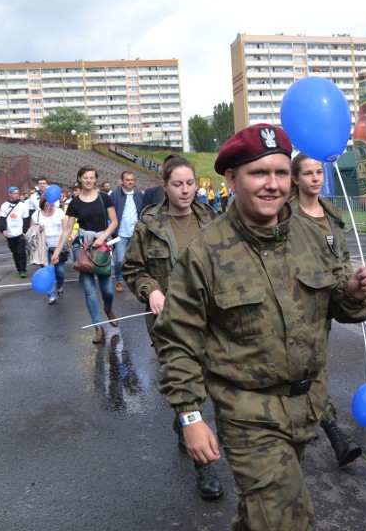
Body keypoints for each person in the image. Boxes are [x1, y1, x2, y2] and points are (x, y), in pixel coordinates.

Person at [149, 124, 366, 530]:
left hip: (308, 405)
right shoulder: (205, 252)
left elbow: (336, 305)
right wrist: (190, 416)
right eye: (259, 173)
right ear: (232, 179)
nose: (273, 185)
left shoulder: (314, 235)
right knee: (289, 518)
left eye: (280, 172)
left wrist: (354, 294)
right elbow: (178, 340)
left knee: (261, 514)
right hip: (248, 414)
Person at [121, 155, 222, 500]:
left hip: (210, 317)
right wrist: (152, 291)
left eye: (190, 183)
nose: (185, 190)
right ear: (164, 186)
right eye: (177, 184)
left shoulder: (211, 219)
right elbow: (133, 270)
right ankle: (204, 468)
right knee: (185, 380)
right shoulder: (149, 224)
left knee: (206, 378)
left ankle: (182, 417)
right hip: (167, 322)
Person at [288, 153, 362, 468]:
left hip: (328, 304)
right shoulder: (286, 216)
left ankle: (308, 418)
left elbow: (341, 260)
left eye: (319, 172)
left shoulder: (331, 216)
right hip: (296, 305)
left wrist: (352, 290)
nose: (315, 178)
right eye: (308, 173)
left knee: (314, 368)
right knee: (311, 370)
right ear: (295, 179)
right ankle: (335, 436)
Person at [51, 166, 119, 344]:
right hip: (84, 248)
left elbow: (114, 222)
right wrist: (57, 252)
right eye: (85, 177)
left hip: (102, 245)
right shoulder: (74, 203)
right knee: (89, 291)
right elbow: (67, 229)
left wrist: (103, 236)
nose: (89, 180)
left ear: (95, 180)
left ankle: (108, 308)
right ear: (80, 179)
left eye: (91, 178)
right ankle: (98, 327)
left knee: (108, 290)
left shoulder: (104, 198)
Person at [109, 170, 143, 293]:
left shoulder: (138, 194)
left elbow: (142, 211)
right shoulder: (115, 194)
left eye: (132, 180)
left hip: (135, 233)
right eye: (127, 180)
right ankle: (119, 280)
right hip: (120, 233)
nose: (130, 182)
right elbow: (109, 211)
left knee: (136, 259)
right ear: (121, 181)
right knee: (119, 259)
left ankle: (135, 280)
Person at [33, 195, 68, 305]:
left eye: (53, 202)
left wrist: (67, 241)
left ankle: (60, 285)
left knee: (60, 271)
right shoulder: (37, 215)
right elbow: (31, 230)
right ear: (43, 203)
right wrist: (38, 228)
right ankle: (51, 295)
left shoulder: (59, 212)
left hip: (59, 246)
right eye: (49, 202)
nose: (51, 204)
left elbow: (66, 229)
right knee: (48, 271)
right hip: (44, 247)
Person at [0, 186, 30, 278]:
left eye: (17, 193)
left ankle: (23, 270)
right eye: (14, 193)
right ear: (9, 194)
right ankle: (19, 268)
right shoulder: (4, 205)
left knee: (21, 251)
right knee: (15, 252)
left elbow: (26, 219)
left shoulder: (22, 205)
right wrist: (3, 230)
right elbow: (2, 219)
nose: (16, 195)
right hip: (10, 233)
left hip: (20, 232)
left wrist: (24, 230)